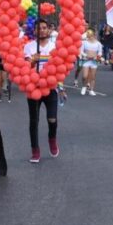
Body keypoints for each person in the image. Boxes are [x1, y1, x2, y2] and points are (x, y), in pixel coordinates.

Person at [24, 19, 66, 163]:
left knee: (52, 119)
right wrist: (32, 61)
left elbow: (60, 70)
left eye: (44, 28)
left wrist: (61, 88)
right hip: (34, 87)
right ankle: (35, 151)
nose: (41, 30)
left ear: (48, 30)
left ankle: (52, 139)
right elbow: (24, 68)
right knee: (34, 121)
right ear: (34, 31)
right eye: (38, 28)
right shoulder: (29, 47)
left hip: (51, 87)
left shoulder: (54, 47)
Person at [79, 29, 102, 96]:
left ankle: (91, 90)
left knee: (93, 76)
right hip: (86, 60)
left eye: (91, 36)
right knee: (84, 76)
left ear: (94, 35)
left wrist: (97, 56)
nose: (90, 37)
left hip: (94, 61)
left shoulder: (98, 43)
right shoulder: (84, 42)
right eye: (89, 36)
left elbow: (100, 52)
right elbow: (81, 51)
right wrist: (86, 55)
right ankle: (84, 86)